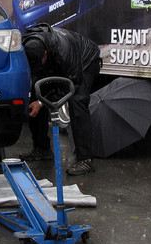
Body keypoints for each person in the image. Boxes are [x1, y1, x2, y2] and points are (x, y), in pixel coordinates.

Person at [21, 23, 101, 176]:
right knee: (34, 93)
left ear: (45, 53)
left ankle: (85, 160)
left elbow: (71, 84)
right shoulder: (25, 44)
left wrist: (42, 103)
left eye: (40, 63)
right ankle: (42, 149)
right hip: (57, 62)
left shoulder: (65, 52)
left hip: (85, 61)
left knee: (77, 100)